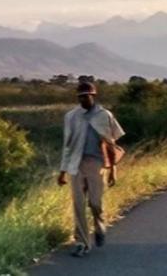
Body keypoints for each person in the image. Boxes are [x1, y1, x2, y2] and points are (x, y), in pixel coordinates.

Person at [57, 80, 125, 257]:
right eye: (79, 97)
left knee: (95, 202)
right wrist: (62, 171)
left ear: (93, 96)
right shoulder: (71, 116)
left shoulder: (105, 115)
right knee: (78, 204)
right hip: (76, 163)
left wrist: (113, 171)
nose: (82, 101)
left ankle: (99, 224)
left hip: (97, 164)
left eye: (85, 97)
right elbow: (67, 145)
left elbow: (112, 145)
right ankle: (81, 242)